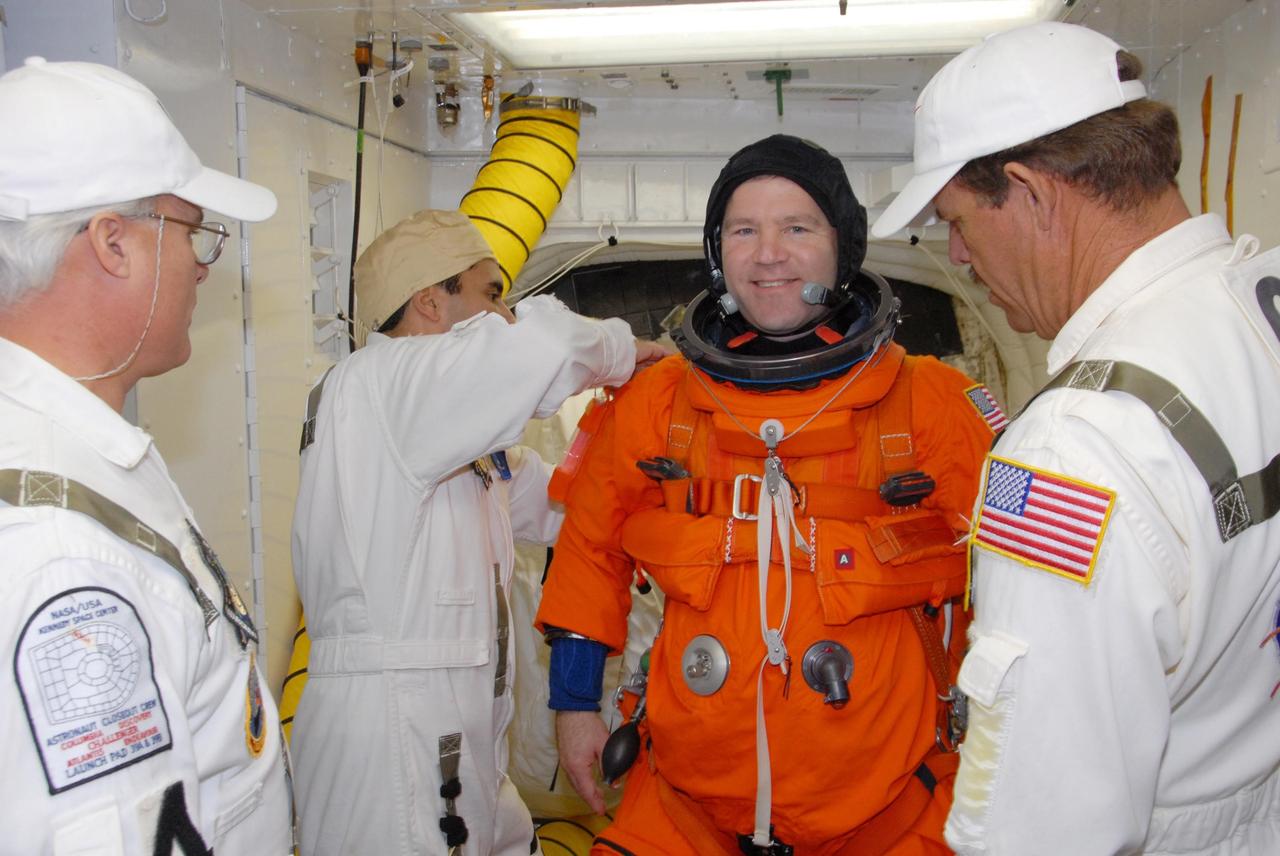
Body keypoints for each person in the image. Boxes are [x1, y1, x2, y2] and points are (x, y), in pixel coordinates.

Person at [871, 21, 1280, 855]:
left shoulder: (1074, 448)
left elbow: (1044, 825)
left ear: (1032, 192)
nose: (958, 254)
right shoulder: (1258, 301)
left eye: (956, 219)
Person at [536, 134, 1000, 855]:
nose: (768, 253)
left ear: (843, 248)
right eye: (743, 230)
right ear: (718, 252)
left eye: (796, 228)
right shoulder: (659, 403)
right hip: (686, 808)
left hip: (885, 813)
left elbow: (1015, 590)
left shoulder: (932, 406)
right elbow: (590, 548)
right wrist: (572, 706)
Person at [289, 208, 665, 856]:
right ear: (431, 302)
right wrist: (627, 356)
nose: (505, 316)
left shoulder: (443, 434)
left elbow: (563, 508)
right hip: (392, 749)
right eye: (491, 295)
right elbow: (544, 348)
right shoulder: (385, 385)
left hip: (456, 737)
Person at [0, 58, 292, 853]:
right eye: (190, 229)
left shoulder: (72, 452)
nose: (202, 262)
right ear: (113, 243)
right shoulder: (62, 555)